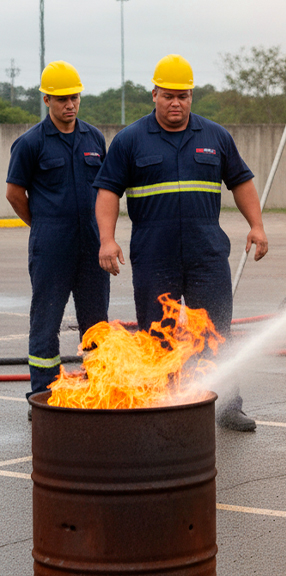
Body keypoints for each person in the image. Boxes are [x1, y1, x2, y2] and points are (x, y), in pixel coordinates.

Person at [93, 54, 268, 432]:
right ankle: (163, 404)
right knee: (158, 333)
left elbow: (240, 182)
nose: (177, 103)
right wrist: (106, 239)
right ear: (154, 94)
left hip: (206, 253)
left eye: (184, 96)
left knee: (218, 329)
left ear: (192, 96)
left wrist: (256, 225)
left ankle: (227, 406)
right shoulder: (130, 140)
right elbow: (107, 191)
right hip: (155, 255)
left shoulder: (215, 136)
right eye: (169, 95)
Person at [5, 61, 110, 418]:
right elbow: (14, 193)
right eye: (63, 99)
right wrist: (43, 224)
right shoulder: (31, 143)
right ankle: (43, 394)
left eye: (75, 98)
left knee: (96, 322)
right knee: (46, 321)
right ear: (47, 99)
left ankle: (99, 386)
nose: (70, 105)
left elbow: (107, 190)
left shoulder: (94, 139)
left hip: (91, 245)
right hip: (51, 245)